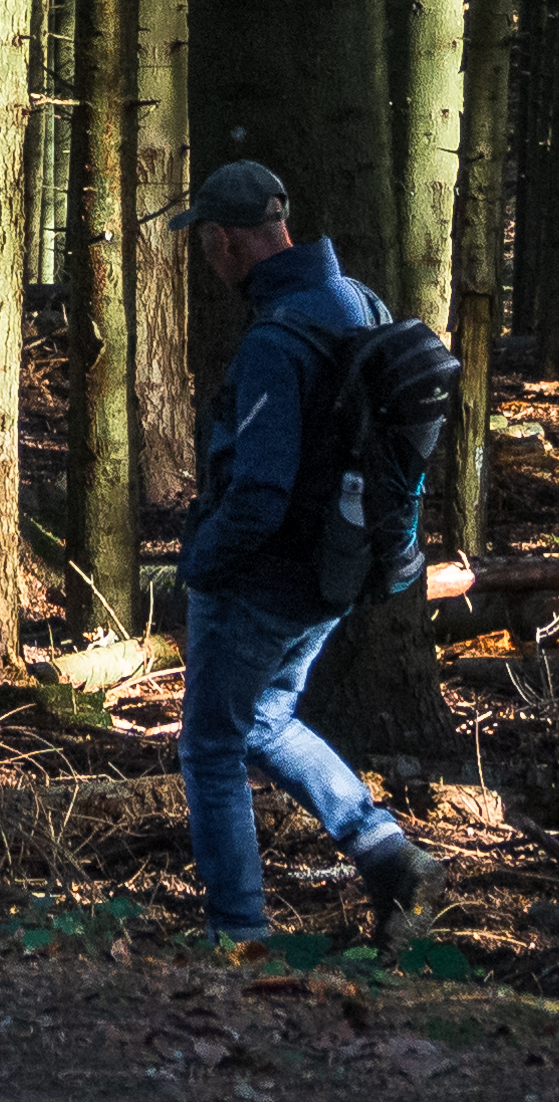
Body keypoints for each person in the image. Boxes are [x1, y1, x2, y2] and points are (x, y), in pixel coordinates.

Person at [168, 158, 437, 951]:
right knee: (268, 719)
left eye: (206, 244)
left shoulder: (274, 342)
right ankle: (389, 856)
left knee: (212, 746)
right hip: (335, 574)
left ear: (223, 240)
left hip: (263, 581)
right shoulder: (358, 300)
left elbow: (258, 494)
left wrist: (200, 565)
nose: (207, 258)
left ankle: (237, 933)